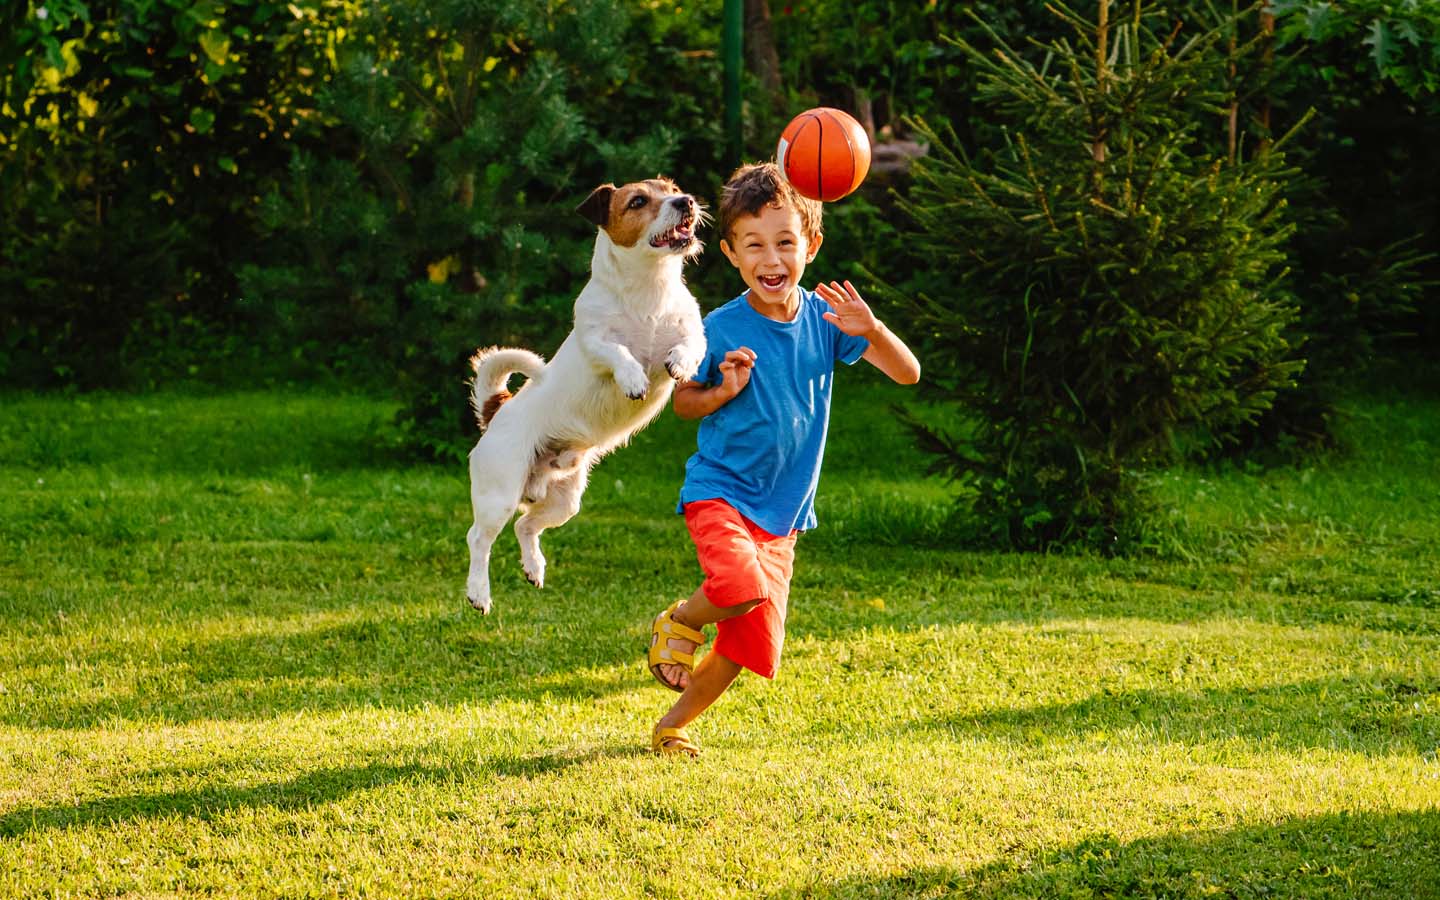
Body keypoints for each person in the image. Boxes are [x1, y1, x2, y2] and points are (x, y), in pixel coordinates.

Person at [646, 161, 922, 756]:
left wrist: (871, 329)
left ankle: (674, 725)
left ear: (811, 246)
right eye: (754, 245)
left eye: (785, 243)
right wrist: (721, 390)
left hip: (782, 515)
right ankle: (682, 622)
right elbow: (683, 404)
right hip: (721, 490)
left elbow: (908, 372)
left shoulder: (829, 321)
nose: (771, 259)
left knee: (748, 647)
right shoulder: (718, 326)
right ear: (729, 253)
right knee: (737, 585)